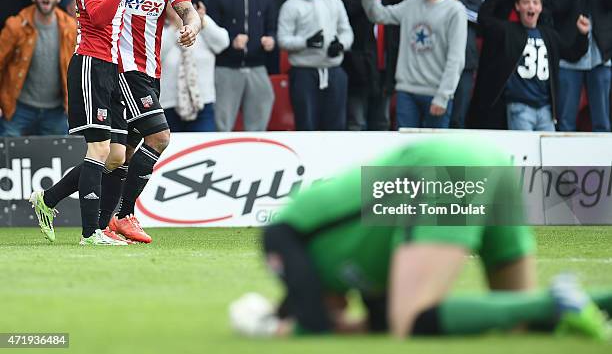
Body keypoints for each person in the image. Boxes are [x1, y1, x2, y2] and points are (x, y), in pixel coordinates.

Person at [229, 136, 612, 339]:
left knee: (412, 323)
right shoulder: (359, 269)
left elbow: (313, 323)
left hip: (440, 168)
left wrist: (271, 329)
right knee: (522, 316)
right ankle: (585, 301)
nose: (340, 310)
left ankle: (559, 301)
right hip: (489, 160)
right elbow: (375, 323)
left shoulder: (283, 237)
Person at [45, 0, 200, 244]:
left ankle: (55, 203)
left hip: (149, 69)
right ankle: (123, 215)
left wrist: (192, 26)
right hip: (121, 69)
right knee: (157, 138)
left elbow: (188, 10)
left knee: (118, 157)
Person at [29, 0, 138, 246]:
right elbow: (99, 17)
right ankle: (91, 234)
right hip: (90, 63)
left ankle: (47, 200)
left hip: (112, 68)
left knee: (117, 156)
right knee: (99, 147)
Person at [359, 0, 467, 129]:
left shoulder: (455, 11)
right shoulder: (413, 3)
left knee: (433, 152)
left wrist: (443, 96)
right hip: (406, 92)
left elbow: (456, 58)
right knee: (408, 150)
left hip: (436, 93)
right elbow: (378, 15)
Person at [478, 0, 589, 130]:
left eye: (535, 2)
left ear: (540, 8)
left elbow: (573, 54)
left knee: (548, 152)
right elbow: (484, 19)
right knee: (524, 152)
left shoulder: (549, 35)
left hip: (546, 111)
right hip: (519, 107)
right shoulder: (508, 31)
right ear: (517, 6)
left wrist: (583, 35)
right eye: (526, 2)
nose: (531, 6)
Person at [331, 0, 409, 131]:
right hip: (358, 60)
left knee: (382, 121)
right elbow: (347, 13)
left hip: (386, 59)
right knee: (356, 121)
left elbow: (401, 15)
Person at [277, 0, 353, 131]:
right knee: (306, 125)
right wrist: (305, 42)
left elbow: (346, 30)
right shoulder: (291, 5)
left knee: (337, 125)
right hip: (304, 72)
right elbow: (282, 39)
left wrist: (341, 45)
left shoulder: (335, 1)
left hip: (334, 70)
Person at [208, 0, 276, 131]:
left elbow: (271, 28)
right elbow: (210, 34)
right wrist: (231, 42)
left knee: (259, 125)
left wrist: (271, 39)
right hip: (226, 69)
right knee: (223, 124)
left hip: (258, 67)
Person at [548, 0, 612, 132]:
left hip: (601, 54)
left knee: (602, 119)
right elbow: (557, 6)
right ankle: (562, 164)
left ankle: (603, 163)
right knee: (566, 118)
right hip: (569, 54)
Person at [0, 0, 77, 136]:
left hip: (56, 111)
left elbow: (78, 70)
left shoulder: (70, 28)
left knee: (56, 159)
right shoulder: (15, 26)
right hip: (18, 108)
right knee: (8, 157)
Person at [431, 0, 485, 129]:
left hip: (463, 59)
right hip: (430, 61)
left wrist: (451, 6)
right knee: (433, 118)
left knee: (457, 119)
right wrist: (449, 2)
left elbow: (482, 16)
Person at [160, 2, 230, 132]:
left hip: (202, 103)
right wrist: (174, 26)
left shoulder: (200, 22)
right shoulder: (158, 26)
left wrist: (202, 22)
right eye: (170, 3)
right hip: (167, 104)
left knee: (204, 149)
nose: (176, 7)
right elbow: (154, 53)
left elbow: (223, 43)